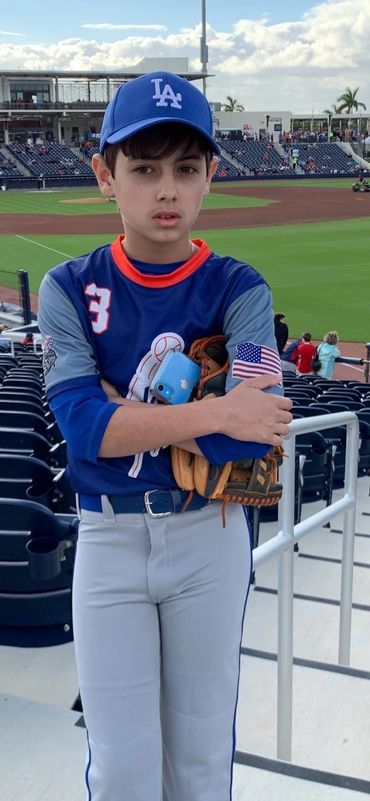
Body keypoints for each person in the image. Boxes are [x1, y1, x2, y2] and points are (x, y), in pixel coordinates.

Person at [37, 70, 292, 801]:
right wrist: (214, 410)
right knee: (122, 770)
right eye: (144, 168)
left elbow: (258, 432)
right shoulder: (69, 286)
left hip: (209, 538)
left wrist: (130, 413)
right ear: (105, 176)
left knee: (202, 762)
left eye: (185, 168)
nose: (167, 189)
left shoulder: (239, 287)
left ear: (212, 173)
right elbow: (84, 431)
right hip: (109, 539)